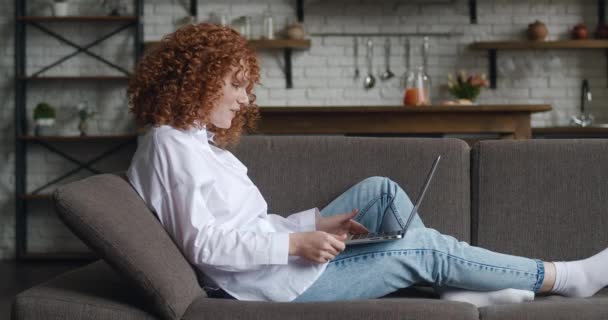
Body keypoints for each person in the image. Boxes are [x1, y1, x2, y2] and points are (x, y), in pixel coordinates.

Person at [126, 23, 608, 306]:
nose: (243, 97)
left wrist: (314, 223)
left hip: (269, 265)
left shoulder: (197, 144)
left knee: (380, 190)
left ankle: (452, 287)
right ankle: (563, 278)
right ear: (198, 81)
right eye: (234, 84)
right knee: (426, 250)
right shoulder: (171, 145)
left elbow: (247, 224)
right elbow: (205, 244)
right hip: (263, 286)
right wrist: (298, 243)